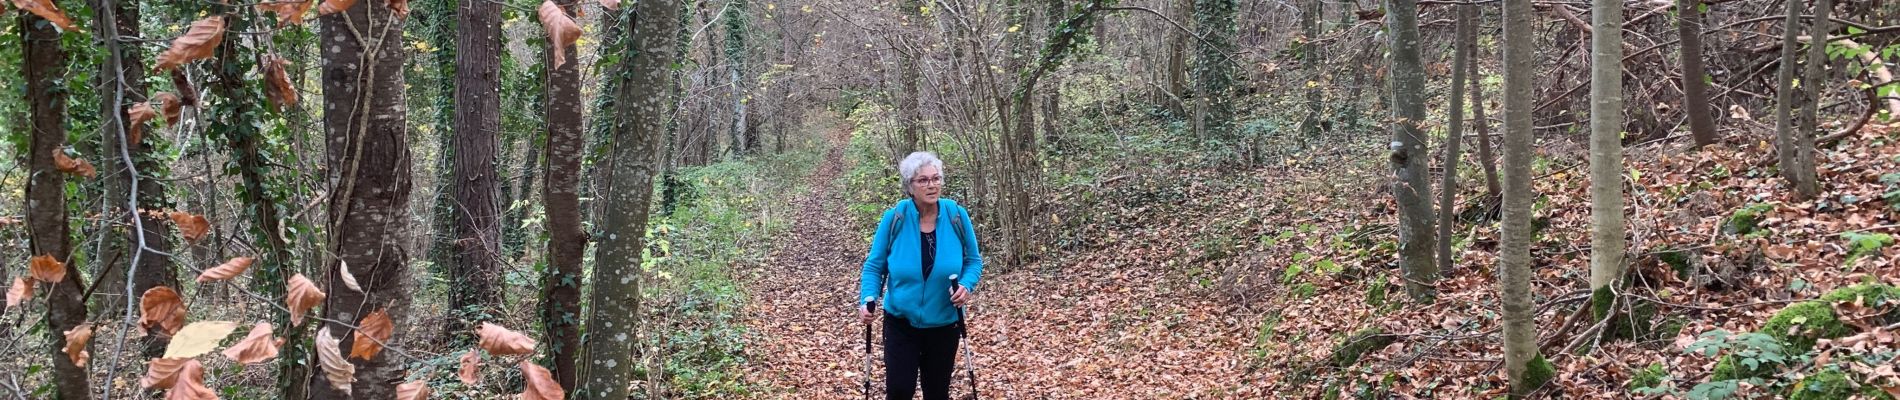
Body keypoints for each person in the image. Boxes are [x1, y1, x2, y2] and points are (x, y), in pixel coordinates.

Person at [858, 151, 984, 400]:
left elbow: (973, 261)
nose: (932, 185)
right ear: (910, 186)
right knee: (899, 391)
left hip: (945, 324)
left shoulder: (957, 215)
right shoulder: (894, 218)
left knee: (937, 393)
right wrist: (867, 298)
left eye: (936, 178)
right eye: (923, 180)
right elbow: (874, 266)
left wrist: (967, 285)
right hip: (901, 323)